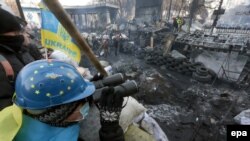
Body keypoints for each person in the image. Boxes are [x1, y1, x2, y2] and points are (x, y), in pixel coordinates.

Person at [11, 60, 125, 141]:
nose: (85, 104)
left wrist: (91, 86)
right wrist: (111, 130)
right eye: (81, 102)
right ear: (60, 114)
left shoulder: (30, 113)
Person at [0, 8, 42, 110]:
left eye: (19, 32)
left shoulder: (23, 50)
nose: (19, 36)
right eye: (14, 34)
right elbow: (4, 102)